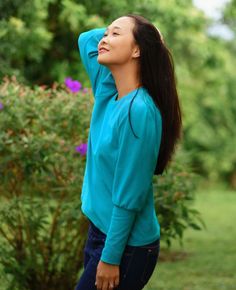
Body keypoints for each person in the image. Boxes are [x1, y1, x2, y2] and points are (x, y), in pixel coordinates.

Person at [75, 14, 182, 290]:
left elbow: (129, 195)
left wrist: (110, 258)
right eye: (107, 33)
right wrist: (150, 34)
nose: (104, 39)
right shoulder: (108, 91)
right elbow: (85, 38)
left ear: (137, 50)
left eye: (115, 34)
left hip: (127, 246)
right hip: (101, 231)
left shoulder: (139, 111)